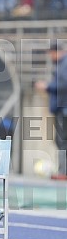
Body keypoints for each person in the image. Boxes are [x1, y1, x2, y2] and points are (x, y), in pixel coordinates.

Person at [35, 40, 67, 180]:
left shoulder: (64, 63)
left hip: (63, 109)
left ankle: (63, 172)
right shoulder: (61, 64)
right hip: (61, 109)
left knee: (62, 141)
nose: (50, 57)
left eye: (51, 53)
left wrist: (47, 86)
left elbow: (63, 84)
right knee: (60, 140)